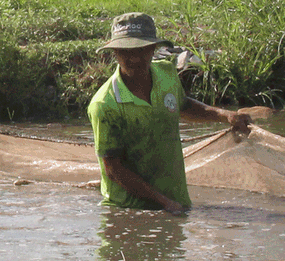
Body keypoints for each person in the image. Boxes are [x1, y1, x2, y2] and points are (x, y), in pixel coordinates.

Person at [87, 12, 256, 214]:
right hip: (128, 212)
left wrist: (224, 115)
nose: (133, 58)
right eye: (124, 51)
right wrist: (164, 203)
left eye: (140, 49)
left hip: (175, 200)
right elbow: (114, 169)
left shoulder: (165, 73)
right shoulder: (105, 104)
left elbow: (182, 105)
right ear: (114, 52)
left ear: (152, 49)